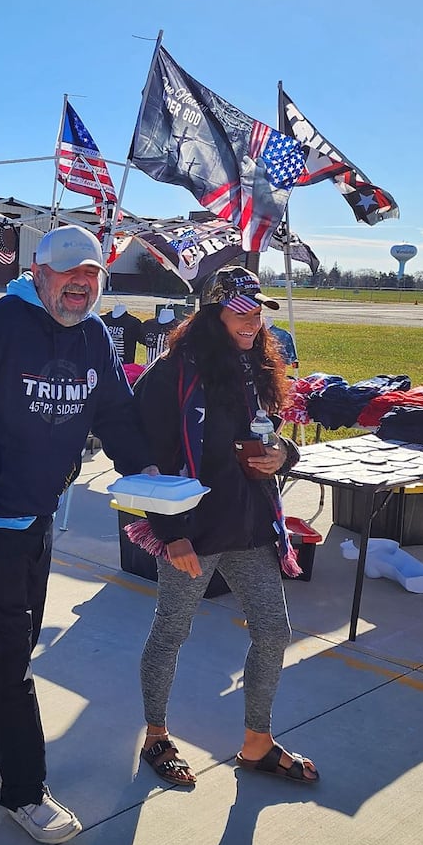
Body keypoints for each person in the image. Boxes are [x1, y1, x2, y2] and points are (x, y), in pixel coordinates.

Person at [0, 224, 156, 845]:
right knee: (11, 658)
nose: (80, 285)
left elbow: (114, 410)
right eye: (67, 274)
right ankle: (25, 789)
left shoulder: (94, 335)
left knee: (5, 649)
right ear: (38, 275)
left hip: (36, 513)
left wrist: (143, 470)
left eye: (91, 275)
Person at [129, 265, 315, 787]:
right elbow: (147, 460)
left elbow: (271, 439)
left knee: (274, 631)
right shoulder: (173, 373)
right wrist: (169, 534)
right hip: (192, 531)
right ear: (212, 312)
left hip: (250, 526)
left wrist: (285, 454)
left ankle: (257, 744)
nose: (253, 320)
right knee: (172, 630)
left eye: (258, 310)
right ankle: (156, 736)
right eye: (241, 310)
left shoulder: (257, 369)